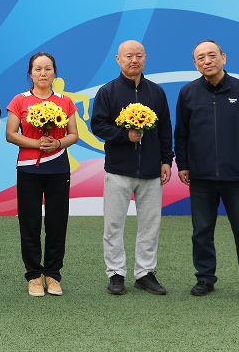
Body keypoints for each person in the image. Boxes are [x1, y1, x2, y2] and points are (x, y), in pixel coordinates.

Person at [175, 40, 239, 303]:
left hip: (236, 176)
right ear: (195, 64)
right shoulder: (188, 93)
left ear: (223, 58)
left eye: (212, 55)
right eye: (201, 57)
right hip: (200, 177)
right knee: (201, 231)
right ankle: (205, 278)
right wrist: (184, 165)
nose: (207, 61)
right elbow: (181, 134)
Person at [90, 40, 172, 296]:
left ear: (145, 58)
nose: (134, 60)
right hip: (118, 171)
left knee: (150, 225)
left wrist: (166, 160)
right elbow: (98, 125)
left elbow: (165, 129)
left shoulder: (157, 92)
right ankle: (116, 273)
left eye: (139, 56)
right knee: (113, 225)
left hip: (151, 171)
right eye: (128, 56)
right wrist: (125, 135)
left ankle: (145, 273)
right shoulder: (107, 91)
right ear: (118, 59)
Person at [5, 52, 78, 297]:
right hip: (29, 169)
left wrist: (57, 144)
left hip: (58, 168)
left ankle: (53, 274)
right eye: (38, 69)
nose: (43, 73)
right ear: (30, 73)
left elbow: (73, 134)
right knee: (30, 223)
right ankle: (34, 275)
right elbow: (11, 134)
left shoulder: (65, 101)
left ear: (54, 73)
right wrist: (37, 144)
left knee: (57, 223)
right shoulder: (20, 100)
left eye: (48, 68)